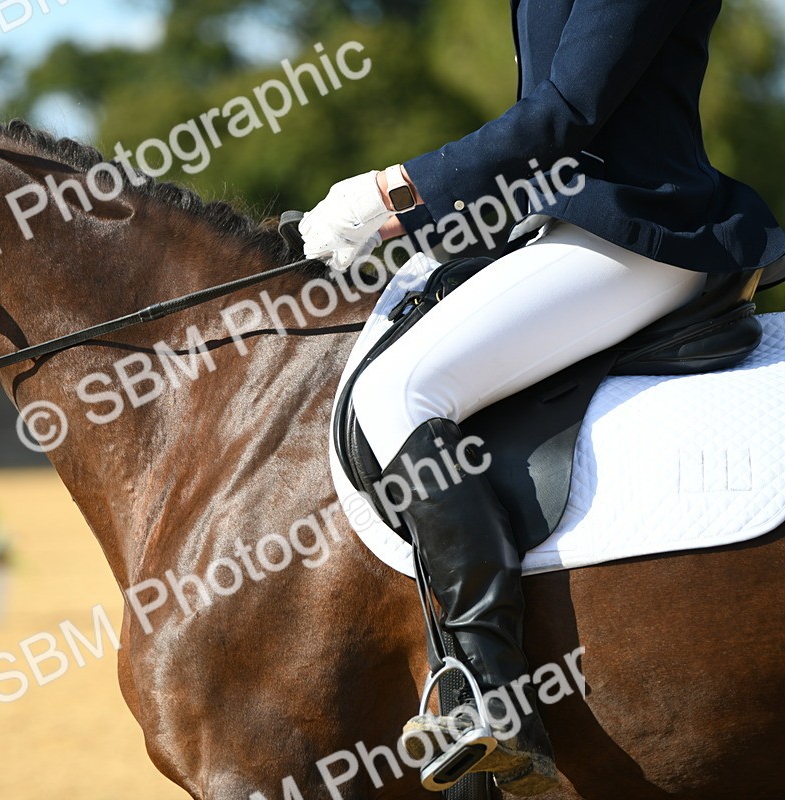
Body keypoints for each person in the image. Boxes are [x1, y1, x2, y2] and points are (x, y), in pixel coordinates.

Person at [300, 1, 785, 796]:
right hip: (565, 225)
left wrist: (395, 193)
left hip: (637, 231)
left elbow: (564, 114)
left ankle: (489, 697)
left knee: (401, 391)